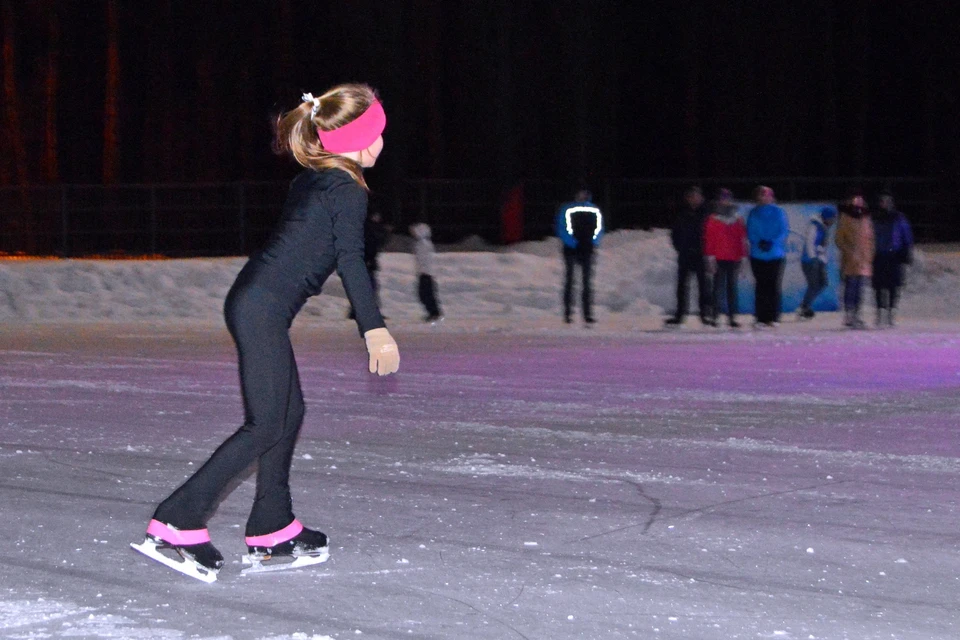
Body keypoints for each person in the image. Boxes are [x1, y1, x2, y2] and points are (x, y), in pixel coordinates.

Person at [132, 84, 400, 583]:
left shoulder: (316, 178)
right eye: (378, 133)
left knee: (286, 413)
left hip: (256, 302)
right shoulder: (346, 188)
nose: (383, 141)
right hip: (261, 308)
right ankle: (177, 520)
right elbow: (350, 262)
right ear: (357, 139)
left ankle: (272, 526)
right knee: (265, 424)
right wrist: (374, 328)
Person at [556, 189, 604, 324]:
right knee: (570, 281)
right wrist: (573, 243)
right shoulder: (568, 209)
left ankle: (587, 314)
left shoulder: (594, 210)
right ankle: (568, 313)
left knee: (587, 283)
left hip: (587, 249)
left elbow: (599, 229)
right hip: (571, 249)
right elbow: (562, 228)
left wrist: (592, 242)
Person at [665, 186, 710, 326]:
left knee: (703, 286)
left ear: (701, 198)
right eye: (691, 196)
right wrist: (680, 248)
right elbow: (674, 233)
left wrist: (705, 250)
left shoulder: (706, 214)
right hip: (685, 255)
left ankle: (705, 315)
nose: (693, 199)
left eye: (696, 196)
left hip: (701, 255)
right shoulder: (682, 213)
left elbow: (711, 235)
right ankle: (679, 315)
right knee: (682, 286)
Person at [746, 186, 790, 328]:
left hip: (775, 255)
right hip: (757, 255)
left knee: (773, 286)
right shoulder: (753, 213)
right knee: (760, 286)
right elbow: (750, 231)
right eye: (762, 195)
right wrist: (759, 242)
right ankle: (760, 318)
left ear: (772, 197)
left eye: (767, 195)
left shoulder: (779, 212)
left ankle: (773, 317)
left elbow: (783, 231)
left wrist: (772, 242)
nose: (764, 198)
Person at [703, 188, 747, 328]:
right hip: (718, 258)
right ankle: (715, 316)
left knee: (732, 288)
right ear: (719, 200)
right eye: (723, 198)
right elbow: (709, 239)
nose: (725, 200)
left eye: (728, 197)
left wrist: (743, 257)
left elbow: (742, 239)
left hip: (734, 258)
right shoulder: (713, 219)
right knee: (718, 289)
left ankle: (732, 317)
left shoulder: (738, 219)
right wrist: (710, 257)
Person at [872, 190, 913, 326]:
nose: (884, 204)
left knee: (893, 286)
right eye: (882, 201)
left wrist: (906, 252)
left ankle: (891, 313)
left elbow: (906, 235)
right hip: (878, 255)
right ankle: (880, 312)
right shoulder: (875, 218)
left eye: (887, 201)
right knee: (879, 286)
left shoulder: (899, 218)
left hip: (894, 255)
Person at [835, 191, 875, 329]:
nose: (858, 204)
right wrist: (849, 252)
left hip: (864, 261)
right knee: (850, 287)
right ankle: (849, 315)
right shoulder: (845, 218)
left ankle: (857, 315)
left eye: (860, 201)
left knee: (860, 289)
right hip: (850, 260)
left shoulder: (866, 218)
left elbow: (870, 239)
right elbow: (839, 239)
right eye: (855, 201)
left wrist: (870, 255)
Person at [348, 210, 390, 319]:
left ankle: (356, 311)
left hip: (363, 262)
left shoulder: (366, 228)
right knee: (370, 287)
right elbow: (373, 245)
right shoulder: (370, 229)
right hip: (366, 263)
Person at [797, 205, 837, 319]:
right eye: (832, 218)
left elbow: (822, 246)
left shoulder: (824, 227)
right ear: (826, 217)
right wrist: (814, 258)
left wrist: (823, 259)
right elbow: (810, 242)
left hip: (818, 260)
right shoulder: (814, 225)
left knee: (823, 283)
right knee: (814, 284)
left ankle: (805, 305)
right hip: (809, 260)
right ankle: (803, 308)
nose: (833, 221)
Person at [410, 222, 443, 322]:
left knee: (426, 294)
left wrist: (424, 271)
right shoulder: (421, 244)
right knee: (424, 294)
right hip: (424, 273)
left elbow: (425, 260)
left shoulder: (423, 244)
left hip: (426, 273)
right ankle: (433, 312)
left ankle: (434, 313)